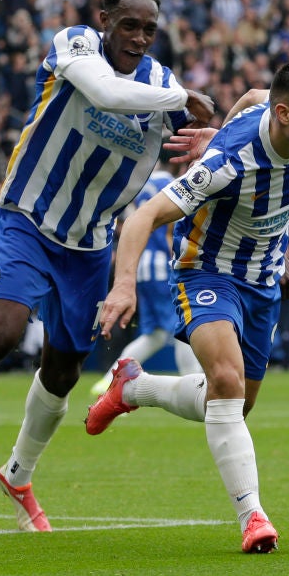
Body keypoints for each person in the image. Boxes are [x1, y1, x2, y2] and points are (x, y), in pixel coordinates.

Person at [0, 0, 214, 532]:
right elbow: (104, 93)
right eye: (129, 25)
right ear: (105, 20)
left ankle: (17, 474)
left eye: (150, 29)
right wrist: (180, 100)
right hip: (26, 216)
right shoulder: (74, 44)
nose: (140, 37)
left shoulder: (163, 85)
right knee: (1, 332)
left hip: (91, 242)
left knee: (65, 369)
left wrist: (205, 136)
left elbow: (198, 143)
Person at [88, 61, 289, 553]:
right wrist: (123, 286)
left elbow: (250, 94)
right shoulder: (226, 163)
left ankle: (134, 388)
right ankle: (253, 517)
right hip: (207, 272)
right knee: (225, 381)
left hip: (264, 281)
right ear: (287, 115)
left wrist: (222, 127)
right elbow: (144, 217)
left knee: (234, 405)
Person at [88, 158, 201, 397]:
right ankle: (196, 382)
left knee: (156, 335)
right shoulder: (173, 184)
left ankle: (110, 378)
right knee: (181, 325)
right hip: (161, 267)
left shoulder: (146, 183)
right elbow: (171, 230)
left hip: (142, 267)